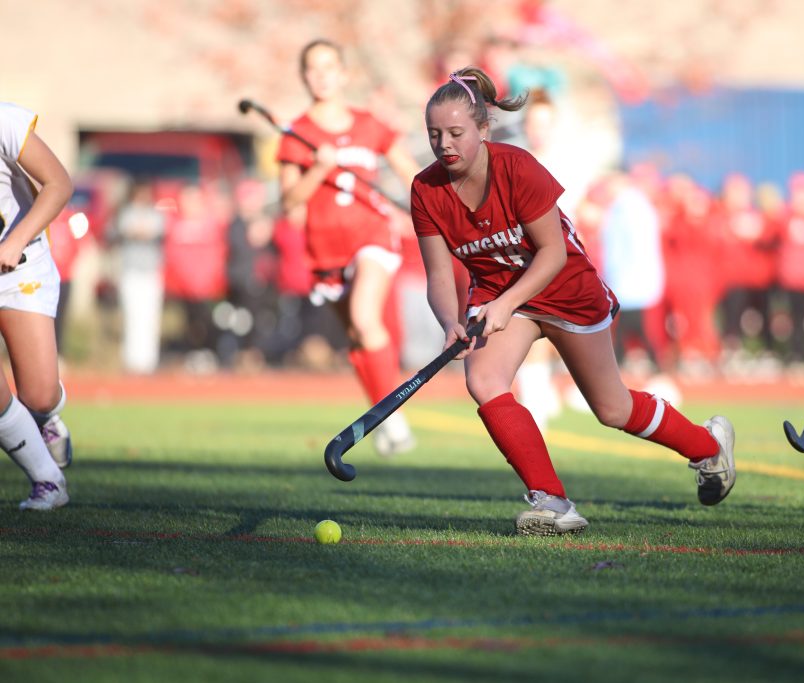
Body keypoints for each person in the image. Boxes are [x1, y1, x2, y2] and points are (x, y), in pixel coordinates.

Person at [410, 67, 737, 536]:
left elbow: (553, 253)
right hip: (500, 294)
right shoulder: (425, 189)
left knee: (612, 409)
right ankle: (552, 501)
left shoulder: (518, 167)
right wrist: (450, 322)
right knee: (483, 379)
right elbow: (440, 274)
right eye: (434, 134)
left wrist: (505, 304)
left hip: (564, 288)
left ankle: (708, 447)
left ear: (484, 129)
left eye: (456, 133)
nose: (444, 144)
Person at [278, 39, 423, 456]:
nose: (322, 75)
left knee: (365, 316)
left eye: (329, 67)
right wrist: (318, 169)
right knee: (357, 337)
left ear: (344, 74)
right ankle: (386, 420)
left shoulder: (369, 124)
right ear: (304, 76)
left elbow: (410, 172)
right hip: (325, 248)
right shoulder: (297, 133)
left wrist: (436, 208)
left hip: (372, 235)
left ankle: (392, 419)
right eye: (313, 68)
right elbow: (289, 201)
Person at [0, 102, 73, 510]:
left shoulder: (4, 120)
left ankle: (46, 418)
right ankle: (47, 481)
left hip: (20, 266)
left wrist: (15, 241)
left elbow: (59, 184)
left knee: (38, 395)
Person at [113, 178, 166, 374]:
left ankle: (148, 361)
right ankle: (132, 360)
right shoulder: (126, 213)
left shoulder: (156, 214)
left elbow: (155, 231)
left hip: (151, 271)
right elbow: (126, 230)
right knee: (133, 316)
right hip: (131, 270)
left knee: (150, 317)